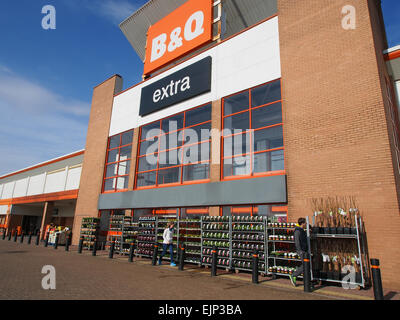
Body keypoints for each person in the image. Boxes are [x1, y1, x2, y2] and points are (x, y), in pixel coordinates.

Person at [289, 217, 309, 287]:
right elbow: (297, 242)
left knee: (306, 264)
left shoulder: (302, 230)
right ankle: (294, 275)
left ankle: (306, 280)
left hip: (305, 250)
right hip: (301, 251)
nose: (306, 224)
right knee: (305, 265)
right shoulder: (297, 231)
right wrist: (300, 251)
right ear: (302, 223)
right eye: (305, 223)